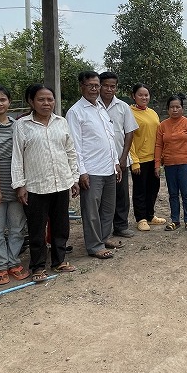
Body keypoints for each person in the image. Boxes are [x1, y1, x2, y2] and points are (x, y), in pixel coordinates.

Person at [12, 84, 80, 281]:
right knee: (36, 228)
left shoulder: (61, 122)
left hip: (61, 182)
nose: (47, 103)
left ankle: (59, 261)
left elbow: (70, 152)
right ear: (31, 101)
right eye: (41, 99)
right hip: (35, 186)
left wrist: (74, 178)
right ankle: (38, 267)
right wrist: (20, 185)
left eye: (50, 99)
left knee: (61, 225)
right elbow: (17, 156)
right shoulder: (22, 125)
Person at [66, 71, 121, 260]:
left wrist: (116, 163)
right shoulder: (75, 112)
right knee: (91, 211)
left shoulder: (100, 108)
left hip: (108, 168)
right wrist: (81, 172)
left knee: (107, 208)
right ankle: (94, 245)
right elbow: (74, 145)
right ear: (81, 86)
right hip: (91, 170)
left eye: (97, 85)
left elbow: (109, 138)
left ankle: (104, 238)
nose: (95, 89)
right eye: (91, 85)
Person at [0, 83, 27, 285]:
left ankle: (14, 262)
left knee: (17, 227)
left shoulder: (18, 125)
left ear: (9, 102)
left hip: (16, 182)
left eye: (3, 99)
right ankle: (1, 266)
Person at [99, 71, 139, 238]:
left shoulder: (123, 106)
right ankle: (103, 229)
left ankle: (121, 226)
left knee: (121, 195)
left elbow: (129, 132)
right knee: (102, 197)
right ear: (100, 86)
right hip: (100, 160)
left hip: (120, 158)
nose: (109, 89)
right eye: (106, 86)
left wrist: (123, 158)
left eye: (112, 86)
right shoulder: (94, 105)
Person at [154, 94, 187, 231]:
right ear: (168, 109)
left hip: (185, 164)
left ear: (182, 108)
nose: (175, 109)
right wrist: (157, 165)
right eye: (172, 107)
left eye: (177, 107)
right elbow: (158, 146)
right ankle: (175, 220)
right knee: (173, 193)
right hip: (169, 165)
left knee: (186, 192)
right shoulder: (162, 126)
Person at [128, 84, 165, 231]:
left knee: (153, 188)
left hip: (153, 158)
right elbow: (128, 138)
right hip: (139, 160)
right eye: (140, 95)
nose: (144, 98)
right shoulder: (129, 113)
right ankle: (141, 218)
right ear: (133, 96)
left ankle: (150, 215)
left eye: (146, 95)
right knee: (140, 190)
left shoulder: (153, 113)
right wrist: (134, 160)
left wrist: (160, 158)